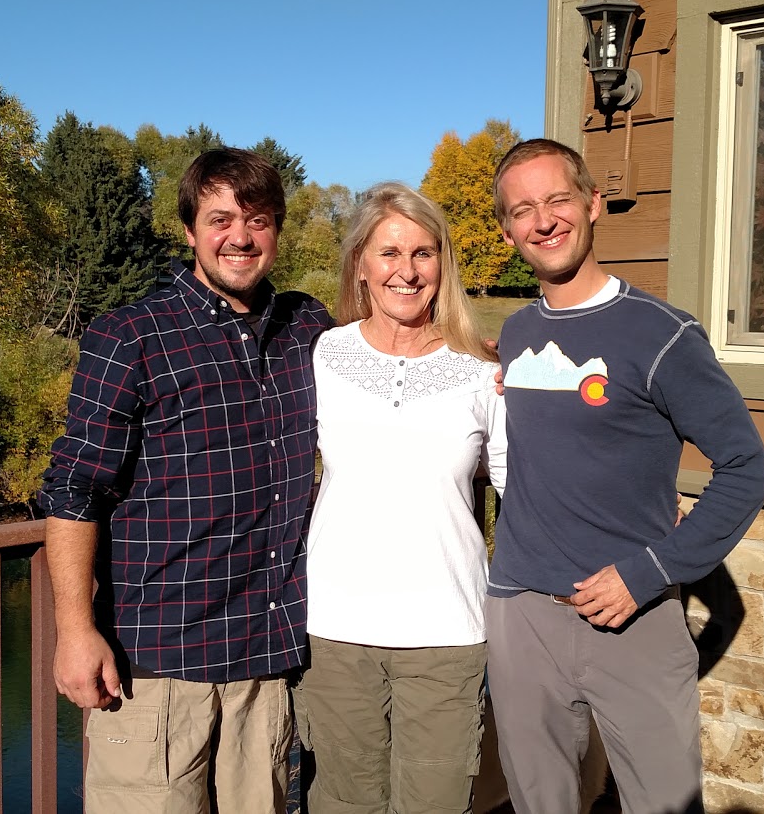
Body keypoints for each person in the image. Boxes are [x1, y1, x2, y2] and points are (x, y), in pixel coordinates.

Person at [39, 147, 331, 814]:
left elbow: (391, 356)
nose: (240, 236)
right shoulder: (131, 336)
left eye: (258, 220)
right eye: (221, 218)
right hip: (158, 667)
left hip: (265, 662)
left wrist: (479, 362)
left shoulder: (305, 327)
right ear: (190, 230)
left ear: (278, 231)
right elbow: (74, 489)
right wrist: (74, 631)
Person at [485, 139, 764, 814]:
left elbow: (745, 468)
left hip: (631, 618)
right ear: (507, 232)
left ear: (592, 203)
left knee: (663, 805)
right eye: (524, 210)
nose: (544, 221)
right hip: (522, 615)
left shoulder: (663, 335)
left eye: (558, 199)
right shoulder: (517, 334)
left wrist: (649, 571)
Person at [293, 182, 507, 814]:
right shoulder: (325, 355)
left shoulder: (480, 369)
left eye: (422, 253)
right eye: (388, 253)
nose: (406, 272)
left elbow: (525, 489)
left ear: (443, 264)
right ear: (360, 264)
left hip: (447, 632)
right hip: (335, 632)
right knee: (341, 803)